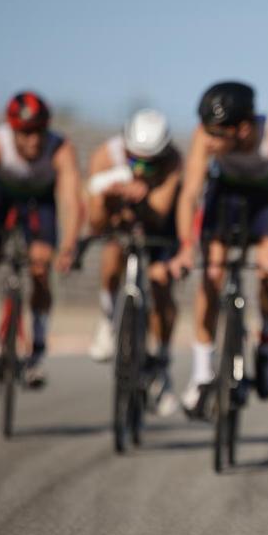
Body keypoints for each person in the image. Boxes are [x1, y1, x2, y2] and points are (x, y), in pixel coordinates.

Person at [168, 82, 268, 413]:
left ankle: (267, 339)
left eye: (217, 134)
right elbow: (189, 194)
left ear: (241, 129)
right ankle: (201, 374)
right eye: (206, 132)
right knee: (211, 275)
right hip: (225, 195)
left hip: (265, 199)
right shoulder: (205, 135)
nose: (208, 141)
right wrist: (185, 248)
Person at [0, 91, 82, 385]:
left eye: (39, 132)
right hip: (0, 198)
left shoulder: (60, 148)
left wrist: (68, 246)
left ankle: (37, 343)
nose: (33, 140)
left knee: (40, 264)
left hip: (40, 201)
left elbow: (69, 200)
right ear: (12, 130)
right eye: (25, 133)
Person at [85, 108, 183, 417]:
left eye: (148, 163)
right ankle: (107, 318)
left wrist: (142, 197)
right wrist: (108, 199)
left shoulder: (173, 162)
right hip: (121, 224)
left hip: (159, 227)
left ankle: (162, 362)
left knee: (161, 282)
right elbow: (96, 223)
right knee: (112, 251)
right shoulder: (105, 155)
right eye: (133, 159)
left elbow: (161, 212)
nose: (140, 169)